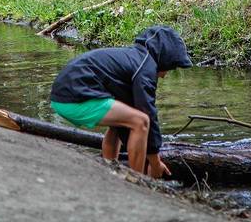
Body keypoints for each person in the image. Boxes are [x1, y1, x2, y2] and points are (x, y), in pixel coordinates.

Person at [50, 25, 192, 178]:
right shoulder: (145, 66)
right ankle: (138, 180)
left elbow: (131, 123)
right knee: (140, 121)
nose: (164, 75)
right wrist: (155, 162)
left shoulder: (134, 58)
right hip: (74, 98)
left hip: (61, 98)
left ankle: (110, 170)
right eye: (170, 68)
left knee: (121, 123)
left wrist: (150, 158)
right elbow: (148, 114)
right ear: (164, 58)